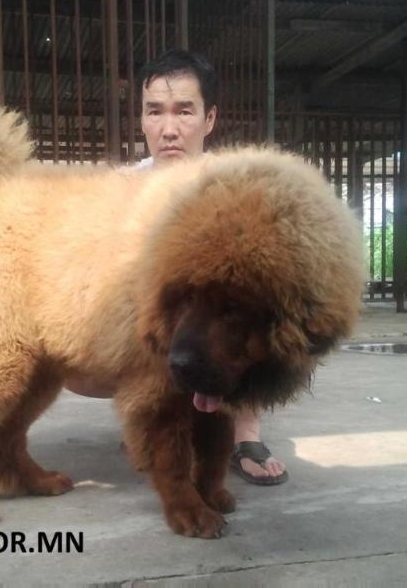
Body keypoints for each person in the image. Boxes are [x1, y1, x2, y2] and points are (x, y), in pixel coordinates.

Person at [66, 48, 288, 485]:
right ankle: (152, 413)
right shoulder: (122, 189)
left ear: (209, 119)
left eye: (184, 111)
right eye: (155, 112)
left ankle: (245, 435)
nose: (169, 129)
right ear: (143, 119)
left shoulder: (234, 190)